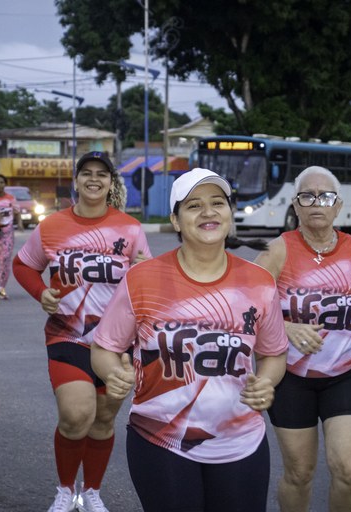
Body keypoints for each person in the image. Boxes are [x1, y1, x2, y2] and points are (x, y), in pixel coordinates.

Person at [91, 168, 288, 512]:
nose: (208, 212)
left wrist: (267, 382)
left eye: (218, 203)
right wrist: (114, 373)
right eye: (194, 205)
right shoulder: (141, 279)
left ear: (230, 212)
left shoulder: (259, 282)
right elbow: (104, 348)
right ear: (176, 220)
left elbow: (273, 354)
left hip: (241, 441)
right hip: (159, 438)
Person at [12, 151, 152, 512]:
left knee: (103, 420)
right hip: (67, 334)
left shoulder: (131, 229)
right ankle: (64, 490)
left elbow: (149, 283)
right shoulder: (52, 226)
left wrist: (144, 271)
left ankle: (91, 492)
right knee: (76, 416)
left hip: (116, 342)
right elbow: (23, 265)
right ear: (76, 180)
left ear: (110, 182)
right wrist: (41, 292)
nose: (93, 179)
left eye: (101, 174)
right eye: (86, 173)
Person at [253, 165, 351, 512]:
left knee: (349, 470)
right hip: (290, 377)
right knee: (300, 474)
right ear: (295, 205)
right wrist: (285, 327)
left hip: (346, 373)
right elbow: (246, 306)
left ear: (338, 205)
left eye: (325, 196)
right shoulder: (276, 251)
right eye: (307, 196)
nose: (316, 203)